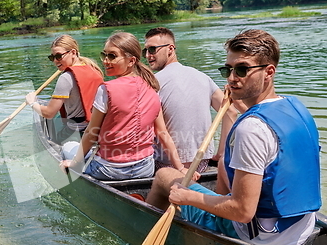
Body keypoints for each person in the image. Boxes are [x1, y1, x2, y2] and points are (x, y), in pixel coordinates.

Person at [146, 29, 322, 245]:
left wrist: (189, 197)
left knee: (165, 176)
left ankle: (147, 238)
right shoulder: (295, 107)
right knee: (222, 165)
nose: (231, 78)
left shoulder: (251, 128)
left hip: (262, 236)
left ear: (269, 72)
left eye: (242, 70)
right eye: (227, 70)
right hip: (300, 227)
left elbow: (242, 211)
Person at [61, 31, 189, 181]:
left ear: (131, 61)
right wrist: (180, 168)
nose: (105, 61)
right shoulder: (152, 89)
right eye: (104, 55)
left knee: (67, 146)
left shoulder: (106, 90)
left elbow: (91, 133)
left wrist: (74, 163)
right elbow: (163, 134)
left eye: (112, 56)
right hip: (145, 168)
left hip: (109, 170)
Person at [143, 27, 240, 173]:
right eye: (145, 51)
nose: (147, 55)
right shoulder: (202, 77)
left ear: (170, 49)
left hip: (166, 165)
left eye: (152, 49)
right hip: (201, 163)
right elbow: (230, 111)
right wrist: (221, 154)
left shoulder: (153, 83)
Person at [26, 35, 103, 144]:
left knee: (53, 130)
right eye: (52, 57)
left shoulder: (66, 77)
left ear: (73, 52)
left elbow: (49, 113)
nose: (55, 61)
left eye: (59, 56)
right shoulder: (93, 68)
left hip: (77, 131)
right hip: (98, 129)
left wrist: (32, 103)